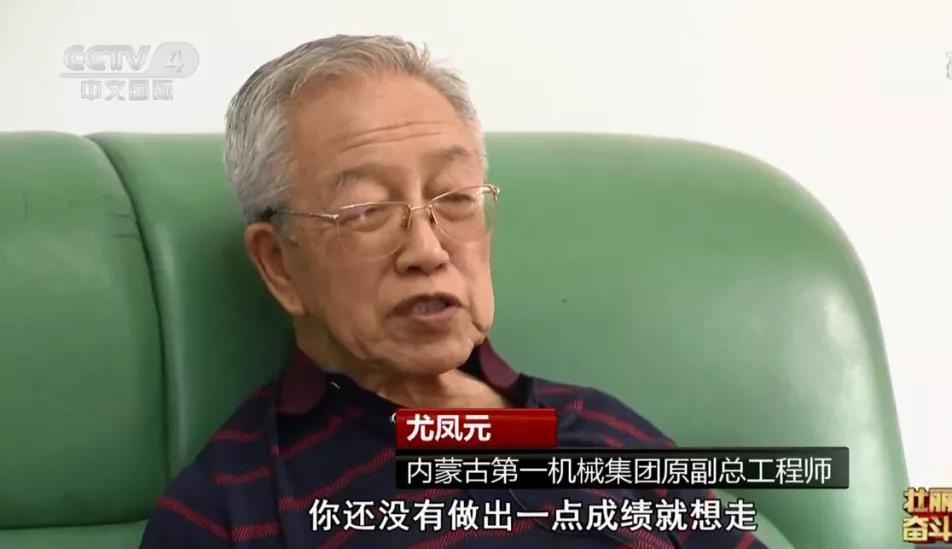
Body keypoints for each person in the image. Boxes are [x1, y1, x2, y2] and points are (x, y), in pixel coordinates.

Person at [140, 34, 767, 549]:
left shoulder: (603, 430)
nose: (428, 249)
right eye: (365, 211)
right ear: (278, 264)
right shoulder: (230, 509)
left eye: (456, 198)